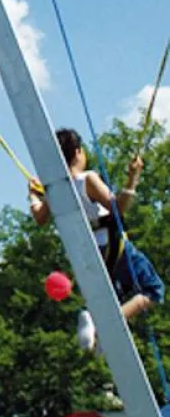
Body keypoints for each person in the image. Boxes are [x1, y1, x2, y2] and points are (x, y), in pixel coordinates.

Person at [29, 129, 164, 351]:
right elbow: (118, 208)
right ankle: (104, 324)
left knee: (116, 295)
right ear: (78, 152)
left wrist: (34, 195)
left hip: (86, 252)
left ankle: (100, 329)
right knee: (153, 290)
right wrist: (133, 178)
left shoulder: (55, 189)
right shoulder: (86, 179)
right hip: (113, 248)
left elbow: (40, 218)